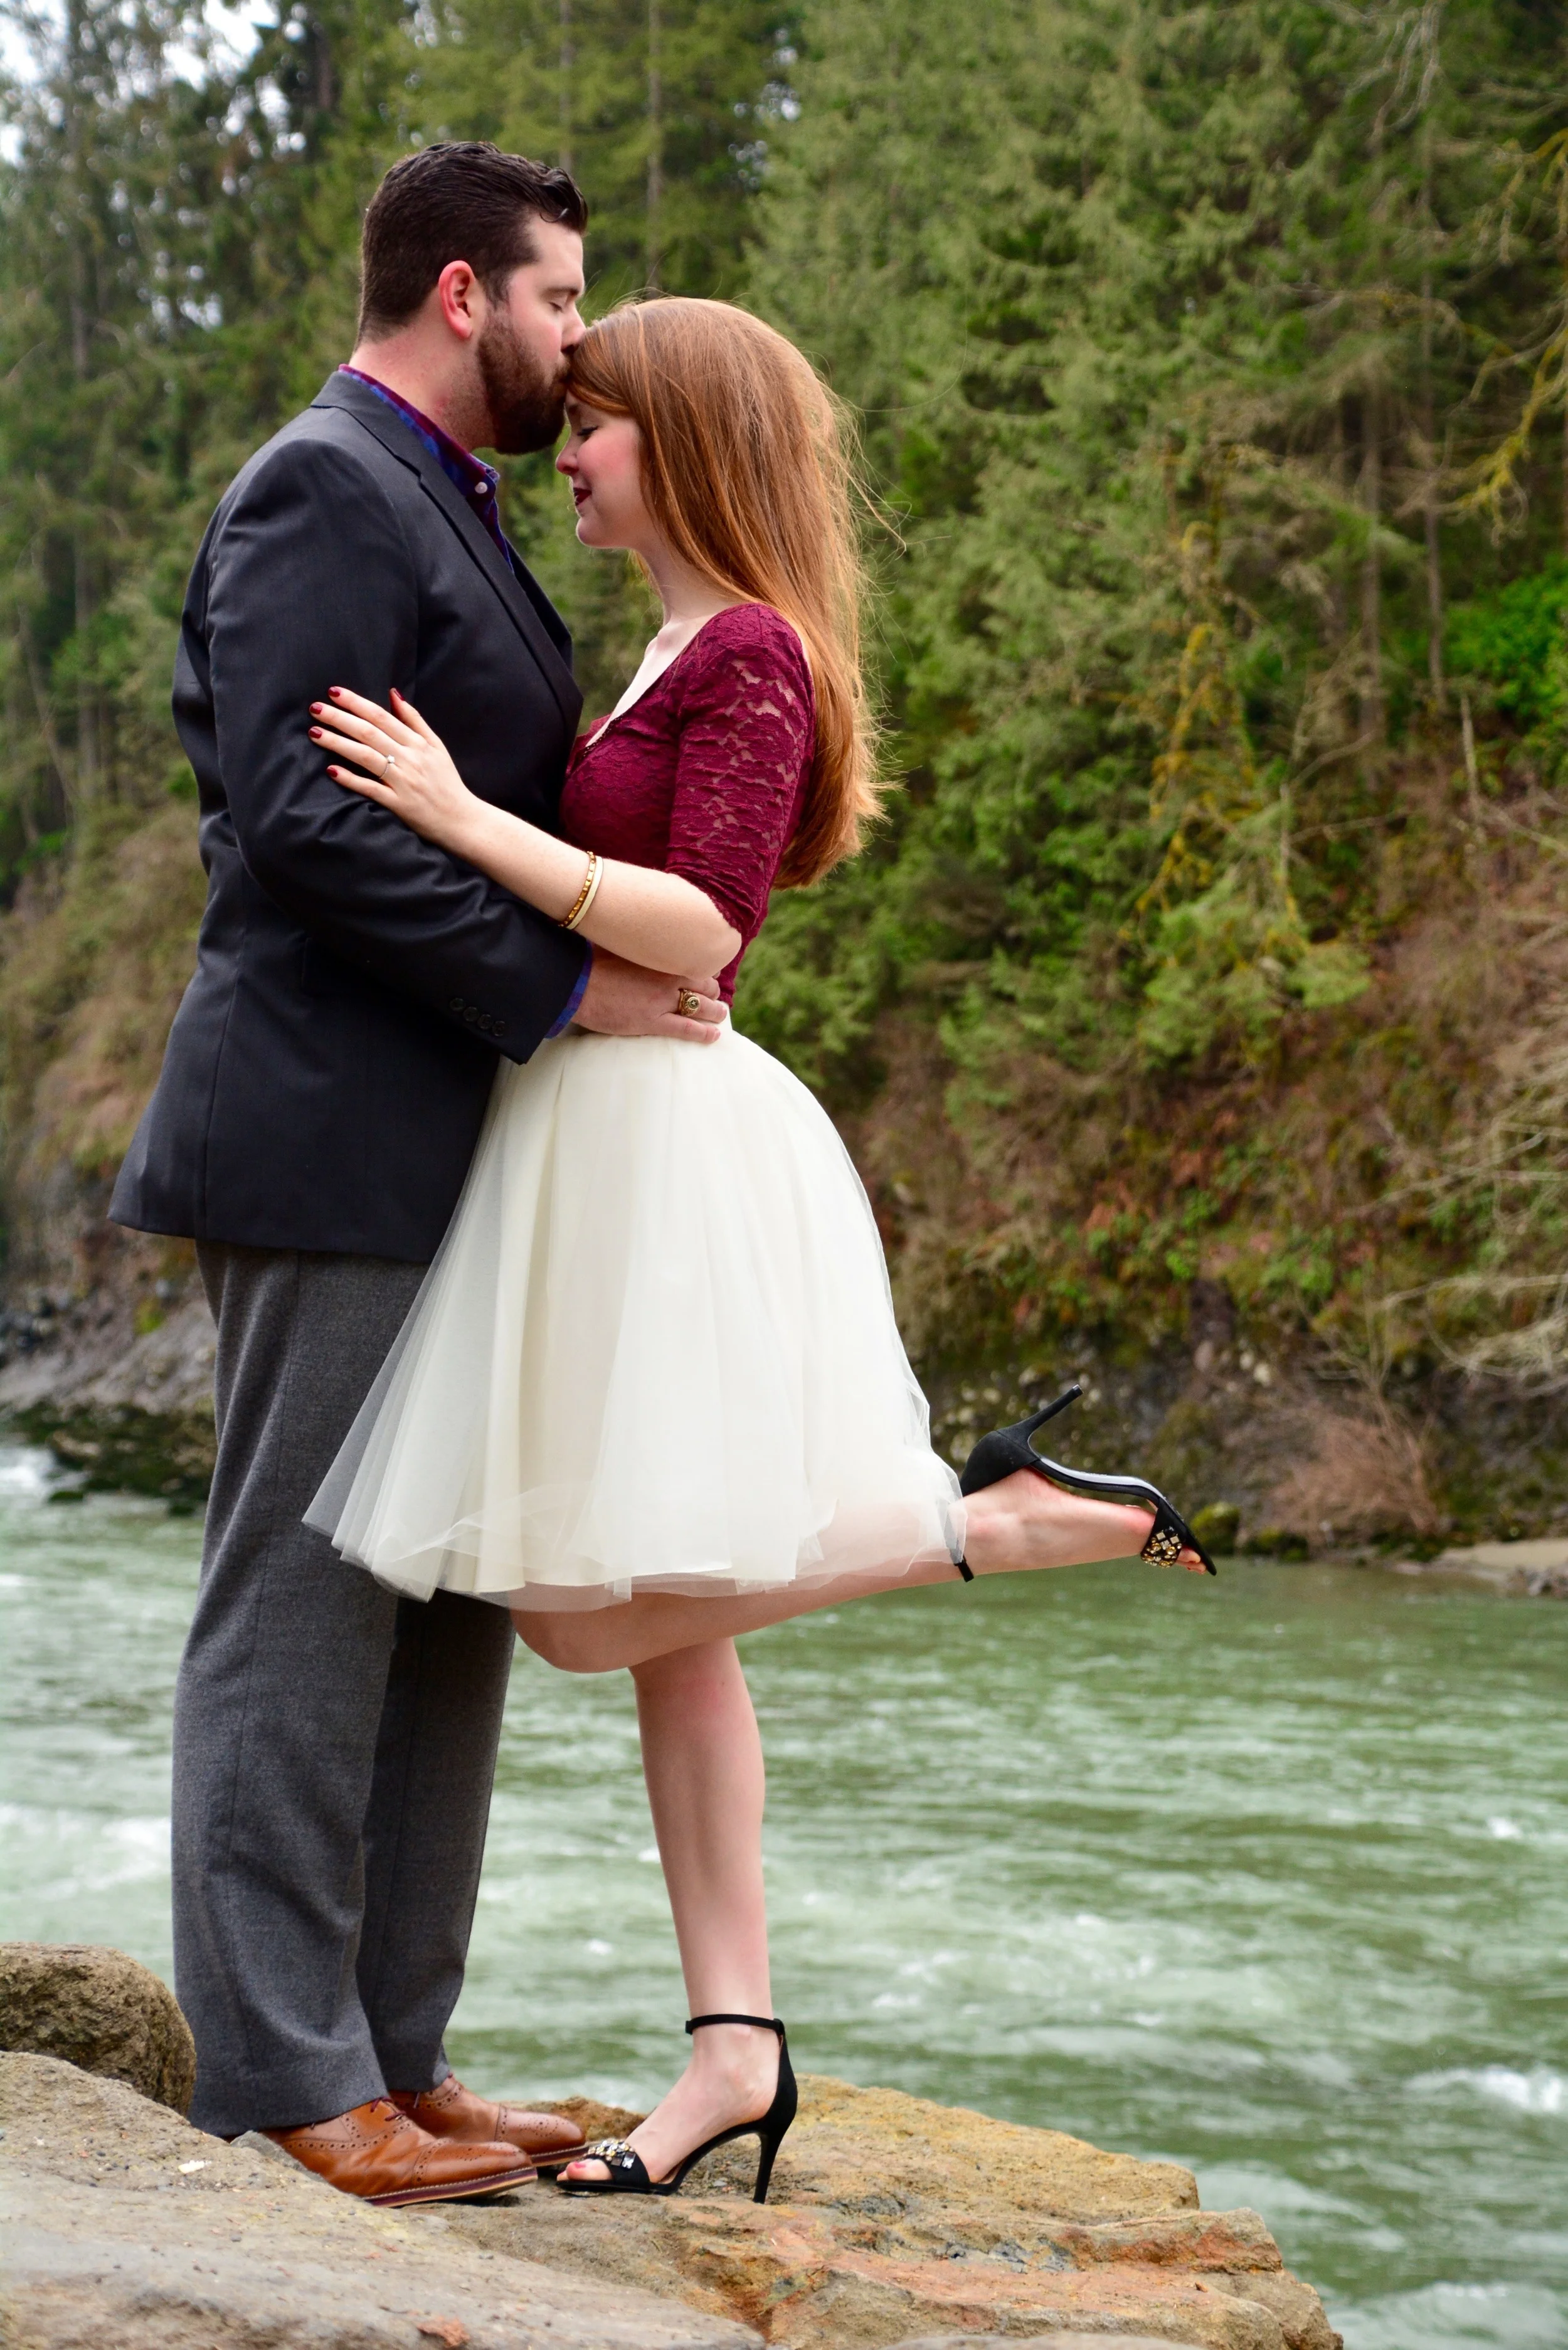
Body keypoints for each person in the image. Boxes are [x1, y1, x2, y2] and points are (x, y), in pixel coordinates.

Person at [303, 294, 1214, 2202]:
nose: (570, 448)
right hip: (588, 1143)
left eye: (600, 425)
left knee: (573, 1614)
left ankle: (992, 1521)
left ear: (692, 443)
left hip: (673, 1159)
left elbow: (701, 927)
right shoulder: (658, 647)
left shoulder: (755, 655)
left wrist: (468, 823)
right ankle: (735, 2047)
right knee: (672, 1636)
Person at [107, 141, 733, 2205]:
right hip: (321, 1125)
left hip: (454, 1147)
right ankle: (287, 2079)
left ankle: (397, 2049)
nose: (580, 338)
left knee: (446, 1592)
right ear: (461, 294)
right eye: (562, 300)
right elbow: (299, 813)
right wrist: (560, 983)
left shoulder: (447, 505)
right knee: (302, 1594)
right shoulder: (318, 481)